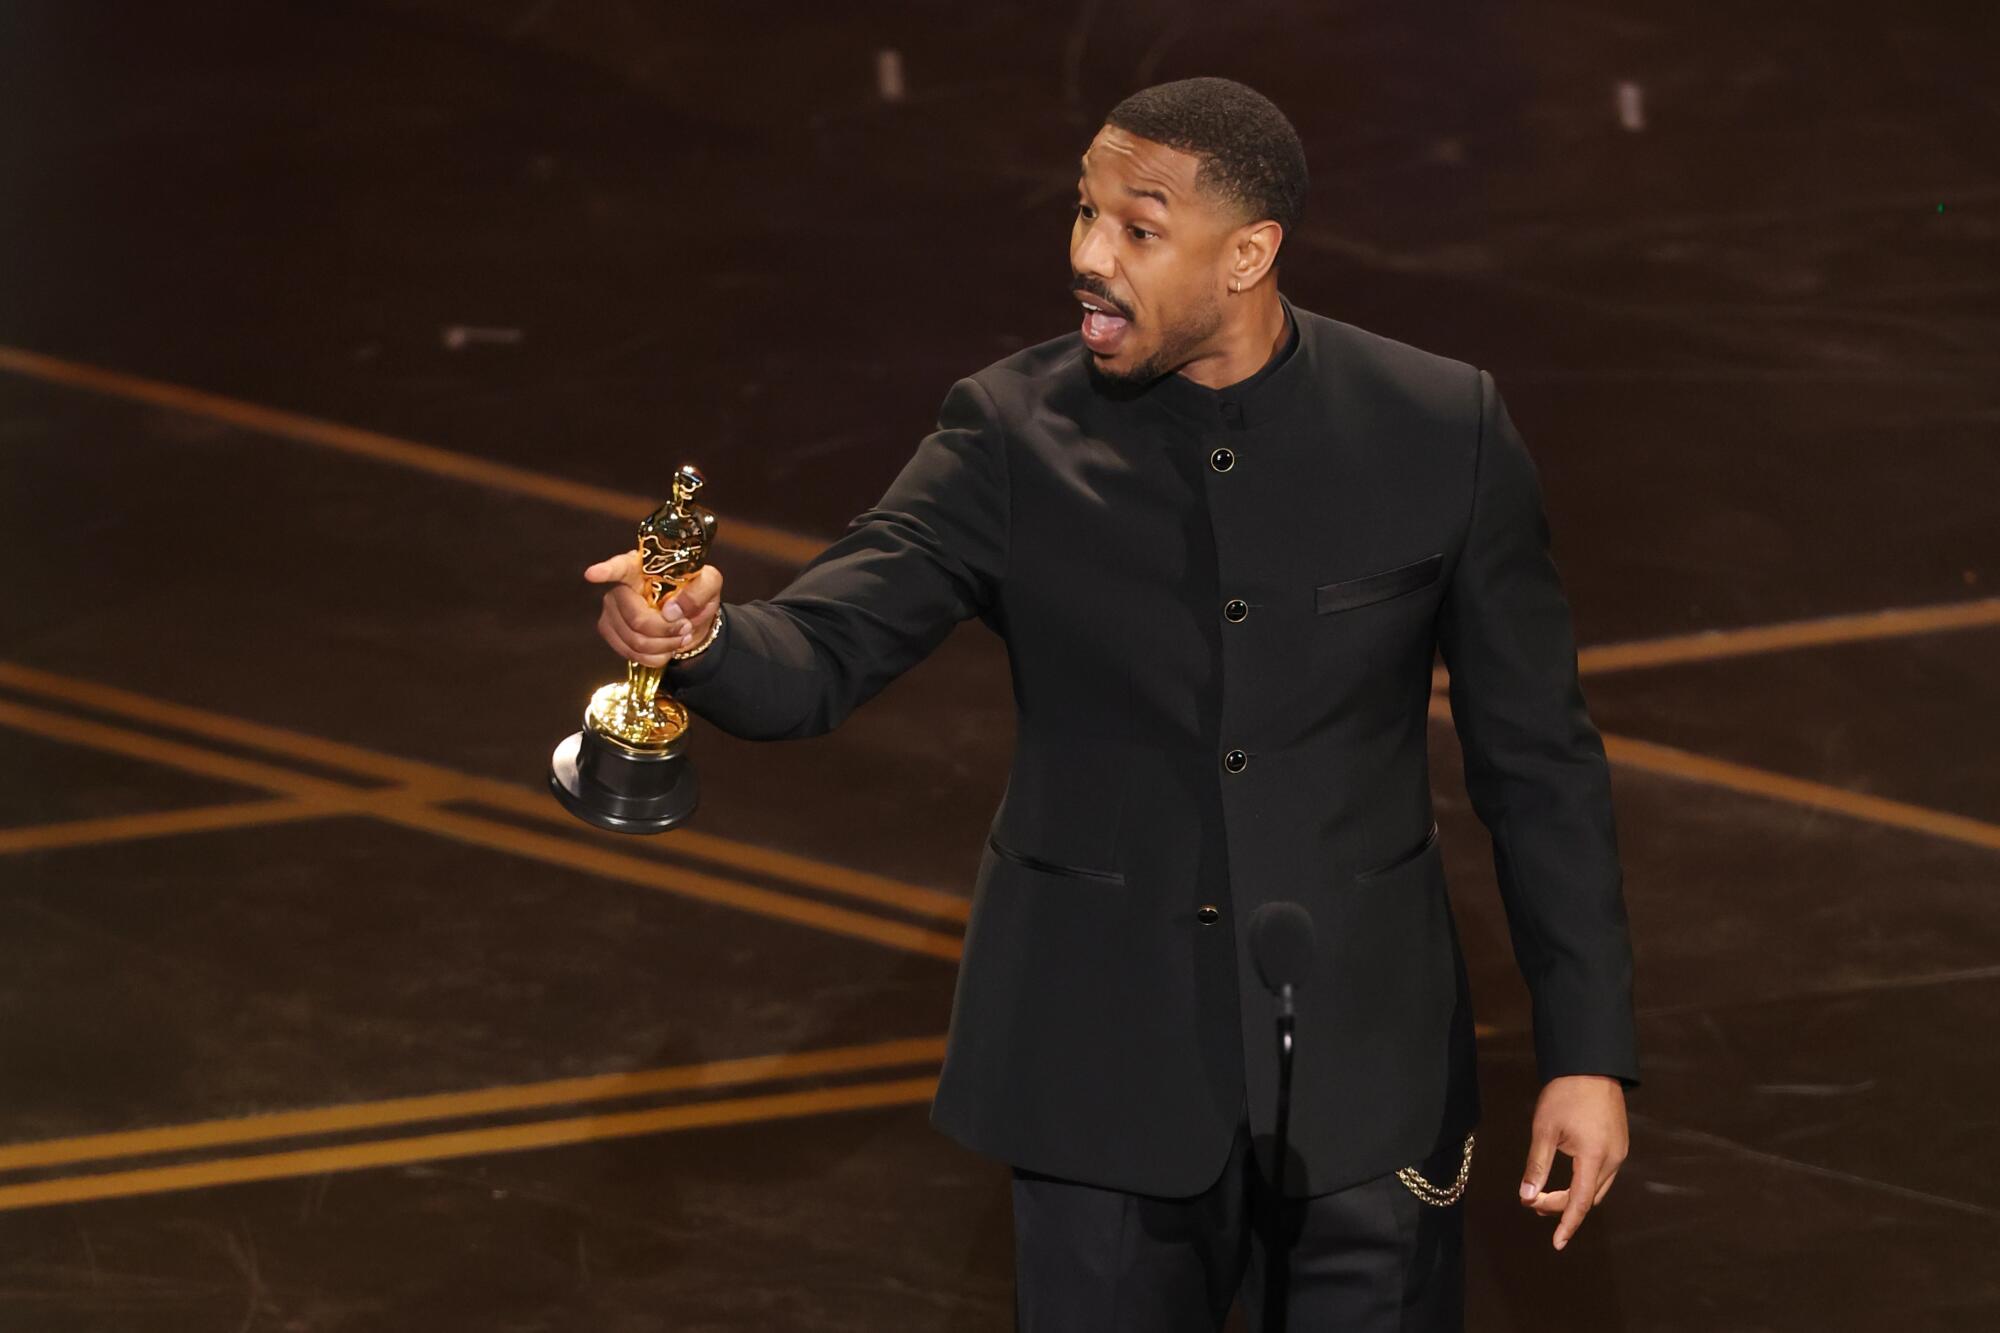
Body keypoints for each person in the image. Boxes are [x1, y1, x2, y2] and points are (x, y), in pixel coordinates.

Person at [584, 75, 1638, 1333]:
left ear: (1247, 254)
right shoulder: (1007, 436)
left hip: (1368, 1078)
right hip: (1097, 1072)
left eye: (1136, 230)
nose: (1088, 258)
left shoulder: (1437, 426)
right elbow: (822, 648)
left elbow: (1537, 765)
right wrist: (697, 633)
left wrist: (1586, 1051)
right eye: (1081, 216)